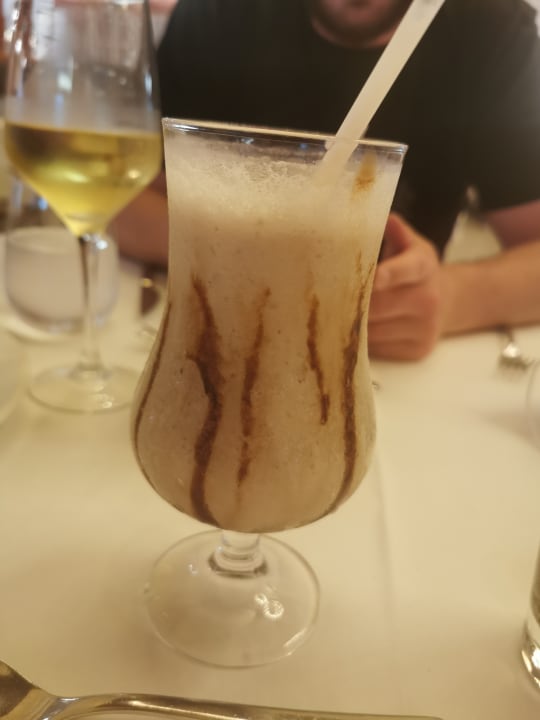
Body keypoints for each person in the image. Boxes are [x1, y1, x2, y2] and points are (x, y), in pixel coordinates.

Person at [114, 0, 540, 361]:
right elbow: (123, 199)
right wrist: (244, 251)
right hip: (211, 331)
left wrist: (452, 297)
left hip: (378, 360)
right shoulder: (216, 13)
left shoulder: (492, 26)